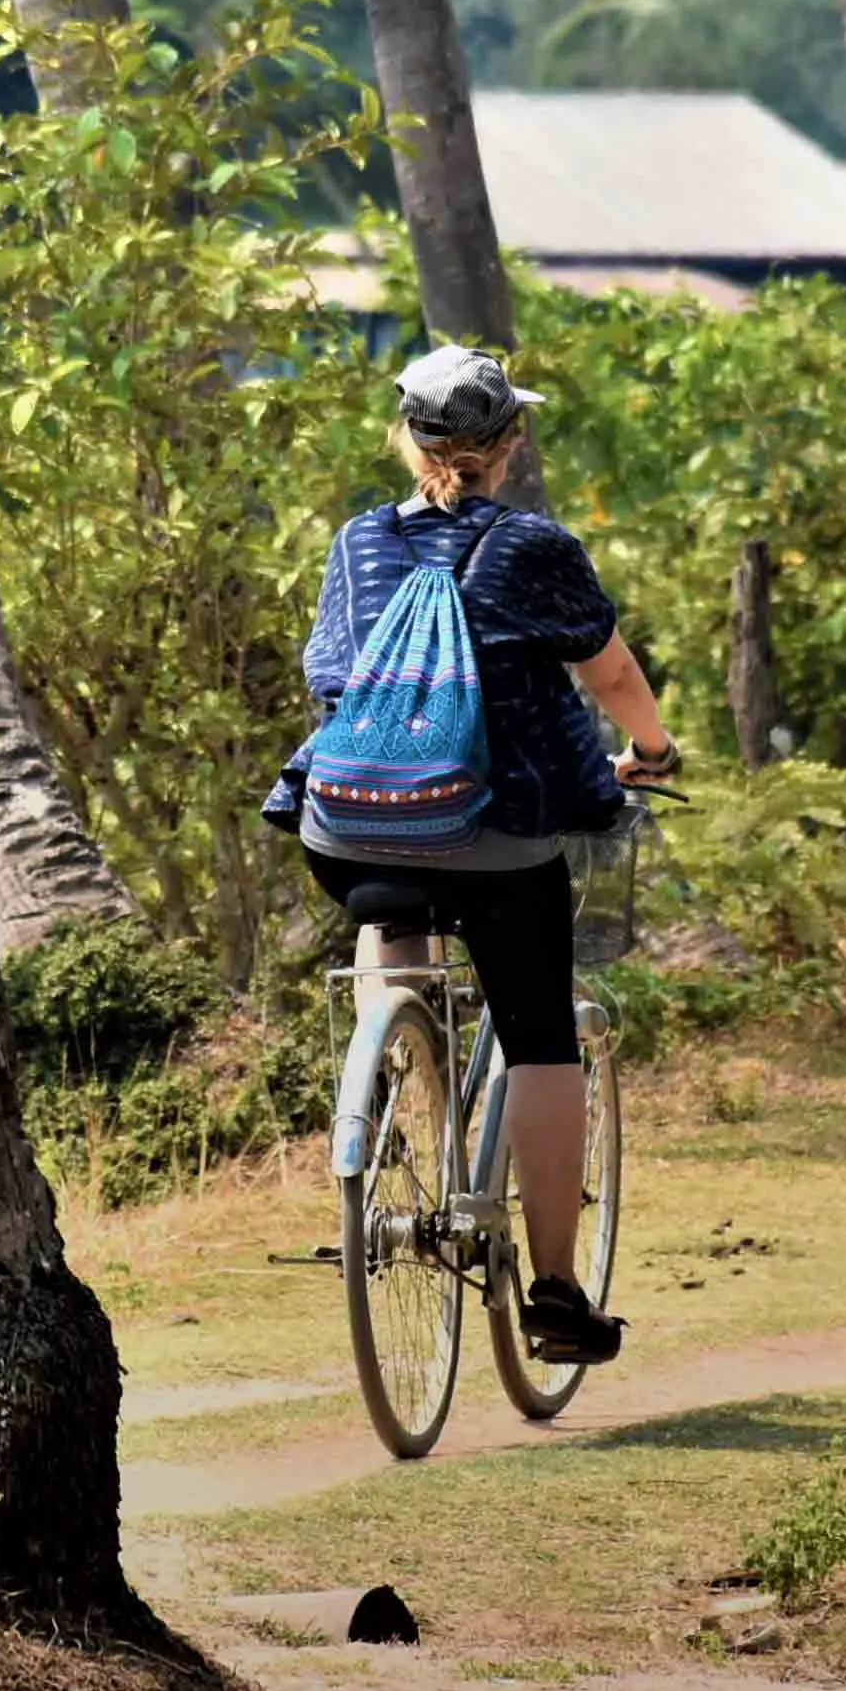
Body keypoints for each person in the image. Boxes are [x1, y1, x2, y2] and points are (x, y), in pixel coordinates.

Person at [268, 346, 673, 1363]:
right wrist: (652, 751)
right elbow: (610, 674)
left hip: (347, 826)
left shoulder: (358, 542)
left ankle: (391, 1065)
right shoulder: (533, 546)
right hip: (495, 839)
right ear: (510, 444)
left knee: (389, 906)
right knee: (540, 1038)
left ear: (405, 442)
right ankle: (555, 1293)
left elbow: (330, 677)